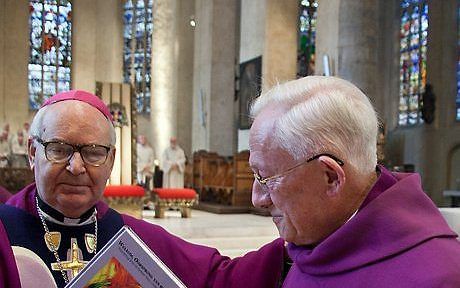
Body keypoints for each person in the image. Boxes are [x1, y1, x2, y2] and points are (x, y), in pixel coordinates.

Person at [0, 90, 285, 288]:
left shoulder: (132, 238)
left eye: (94, 152)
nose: (76, 166)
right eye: (59, 149)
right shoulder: (5, 229)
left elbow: (219, 278)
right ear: (32, 152)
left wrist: (294, 245)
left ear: (111, 160)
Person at [249, 76, 460, 287]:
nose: (257, 199)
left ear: (331, 177)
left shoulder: (438, 277)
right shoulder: (315, 236)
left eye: (266, 178)